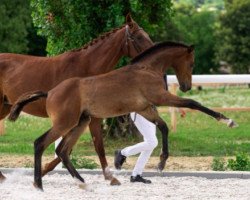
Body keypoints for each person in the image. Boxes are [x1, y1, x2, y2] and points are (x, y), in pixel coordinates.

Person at [114, 112, 157, 184]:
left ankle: (136, 175)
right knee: (152, 142)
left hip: (150, 111)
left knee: (150, 143)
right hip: (139, 112)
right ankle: (122, 152)